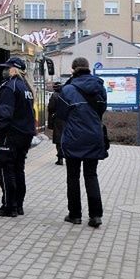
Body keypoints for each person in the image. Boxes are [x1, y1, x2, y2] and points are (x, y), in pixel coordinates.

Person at [56, 57, 108, 228]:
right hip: (94, 136)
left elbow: (61, 114)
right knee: (91, 175)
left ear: (73, 70)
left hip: (74, 138)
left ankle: (75, 215)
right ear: (88, 68)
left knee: (73, 177)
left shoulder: (68, 89)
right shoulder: (99, 87)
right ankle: (96, 216)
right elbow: (101, 109)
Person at [0, 57, 36, 217]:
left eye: (7, 68)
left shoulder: (10, 87)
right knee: (19, 170)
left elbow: (4, 113)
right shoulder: (26, 87)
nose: (5, 71)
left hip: (10, 135)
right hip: (25, 135)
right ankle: (19, 205)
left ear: (14, 70)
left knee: (7, 170)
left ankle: (10, 206)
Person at [47, 82, 65, 165]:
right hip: (66, 120)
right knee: (64, 138)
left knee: (58, 139)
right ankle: (65, 155)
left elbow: (51, 108)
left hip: (57, 120)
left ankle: (60, 157)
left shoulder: (54, 95)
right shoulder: (66, 95)